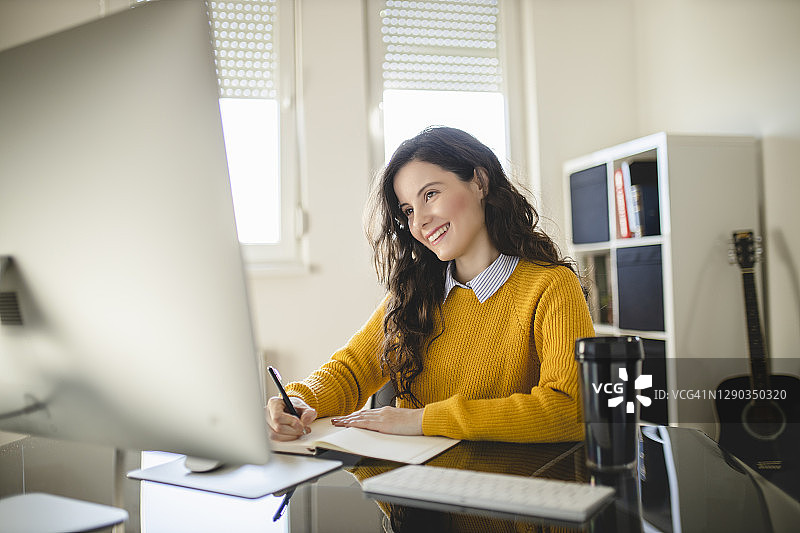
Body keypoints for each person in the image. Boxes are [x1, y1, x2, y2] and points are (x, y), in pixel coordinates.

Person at [267, 126, 594, 443]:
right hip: (409, 486)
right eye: (408, 210)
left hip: (505, 487)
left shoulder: (550, 286)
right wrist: (299, 399)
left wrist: (423, 420)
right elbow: (351, 371)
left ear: (479, 182)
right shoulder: (414, 292)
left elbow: (570, 408)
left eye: (431, 194)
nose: (419, 221)